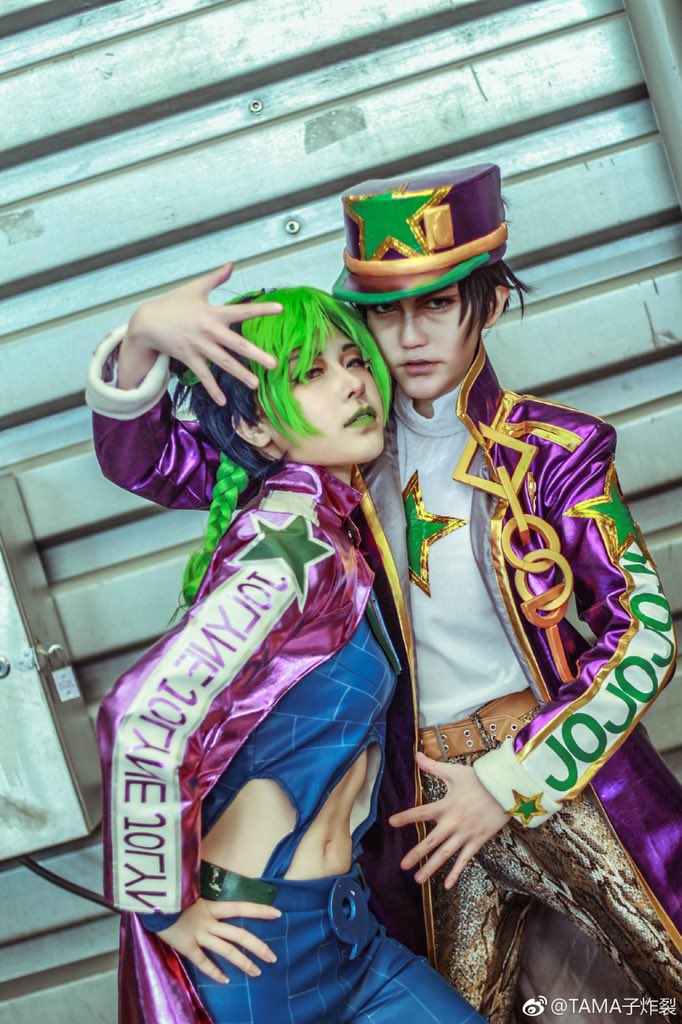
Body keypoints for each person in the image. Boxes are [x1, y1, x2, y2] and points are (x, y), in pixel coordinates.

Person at [87, 165, 682, 1021]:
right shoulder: (332, 457)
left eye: (435, 305)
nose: (407, 337)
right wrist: (142, 339)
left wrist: (514, 778)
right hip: (417, 809)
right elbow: (150, 460)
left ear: (490, 303)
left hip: (553, 769)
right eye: (382, 312)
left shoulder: (557, 451)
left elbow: (645, 634)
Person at [95, 286, 486, 1024]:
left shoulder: (338, 522)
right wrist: (161, 907)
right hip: (255, 955)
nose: (353, 384)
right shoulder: (289, 550)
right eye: (311, 373)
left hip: (352, 937)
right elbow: (142, 716)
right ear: (257, 427)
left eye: (353, 361)